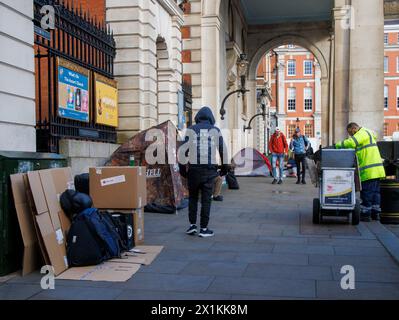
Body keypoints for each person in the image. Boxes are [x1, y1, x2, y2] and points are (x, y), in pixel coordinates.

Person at [182, 106, 227, 237]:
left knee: (193, 198)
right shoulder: (215, 130)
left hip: (193, 169)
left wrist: (183, 171)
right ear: (211, 118)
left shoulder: (190, 130)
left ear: (197, 118)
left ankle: (192, 226)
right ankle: (204, 228)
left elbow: (182, 152)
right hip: (209, 169)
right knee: (206, 199)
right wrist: (224, 169)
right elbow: (223, 150)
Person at [335, 123, 386, 222]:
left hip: (369, 171)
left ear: (354, 128)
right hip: (376, 170)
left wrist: (336, 145)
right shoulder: (368, 133)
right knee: (376, 193)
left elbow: (351, 143)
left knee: (367, 192)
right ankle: (375, 213)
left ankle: (365, 214)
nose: (351, 135)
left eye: (351, 133)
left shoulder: (362, 133)